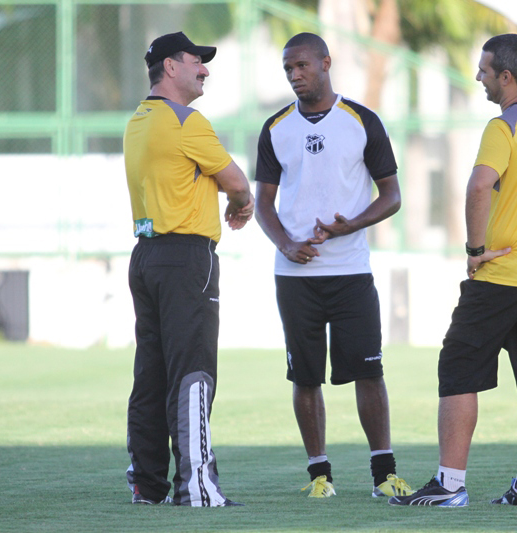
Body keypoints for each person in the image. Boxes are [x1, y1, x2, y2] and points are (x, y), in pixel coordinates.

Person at [390, 33, 517, 508]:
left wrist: (474, 249)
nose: (478, 76)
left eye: (485, 70)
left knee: (457, 367)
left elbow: (478, 187)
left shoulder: (503, 126)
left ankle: (450, 486)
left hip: (504, 273)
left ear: (506, 77)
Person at [254, 32, 413, 500]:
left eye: (301, 65)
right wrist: (284, 244)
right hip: (295, 278)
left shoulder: (361, 121)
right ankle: (319, 475)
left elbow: (392, 196)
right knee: (305, 378)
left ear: (326, 63)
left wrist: (351, 226)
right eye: (288, 69)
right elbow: (263, 203)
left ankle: (384, 474)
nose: (294, 75)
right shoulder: (275, 128)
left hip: (350, 273)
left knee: (369, 372)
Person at [123, 31, 254, 506]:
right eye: (196, 61)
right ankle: (198, 486)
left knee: (150, 376)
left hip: (146, 257)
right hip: (185, 258)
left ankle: (148, 484)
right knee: (193, 372)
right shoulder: (187, 121)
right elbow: (237, 183)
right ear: (170, 67)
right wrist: (243, 205)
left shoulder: (139, 121)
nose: (204, 69)